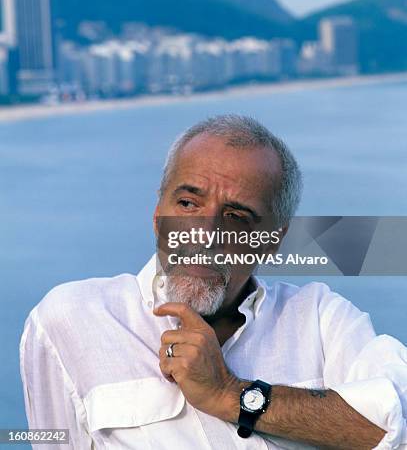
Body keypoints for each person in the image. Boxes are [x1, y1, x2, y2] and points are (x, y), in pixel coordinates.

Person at [20, 114, 407, 449]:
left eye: (237, 217)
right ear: (158, 216)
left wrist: (230, 394)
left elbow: (398, 428)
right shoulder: (70, 319)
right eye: (188, 204)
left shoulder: (322, 320)